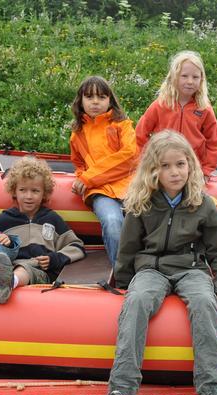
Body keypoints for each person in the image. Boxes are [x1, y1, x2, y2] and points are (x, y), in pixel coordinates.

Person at [106, 130, 217, 395]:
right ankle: (120, 392)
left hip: (191, 269)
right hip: (151, 269)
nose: (175, 172)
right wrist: (124, 283)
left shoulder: (202, 203)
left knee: (204, 303)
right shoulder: (142, 203)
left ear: (190, 165)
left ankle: (212, 392)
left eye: (180, 164)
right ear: (153, 170)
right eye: (165, 166)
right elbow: (127, 247)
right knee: (137, 302)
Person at [0, 156, 86, 303]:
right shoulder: (4, 220)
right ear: (14, 191)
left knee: (24, 269)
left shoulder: (52, 219)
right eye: (23, 190)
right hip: (7, 267)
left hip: (39, 272)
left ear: (44, 193)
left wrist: (54, 259)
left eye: (35, 191)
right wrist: (0, 242)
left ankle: (8, 283)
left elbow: (76, 246)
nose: (29, 196)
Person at [69, 75, 137, 265]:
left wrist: (87, 178)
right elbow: (79, 164)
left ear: (110, 100)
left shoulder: (123, 126)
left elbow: (130, 156)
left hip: (130, 188)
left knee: (145, 223)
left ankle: (150, 270)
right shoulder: (77, 134)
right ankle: (122, 273)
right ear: (81, 100)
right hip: (100, 192)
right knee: (112, 221)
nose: (95, 102)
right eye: (89, 97)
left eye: (101, 97)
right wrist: (80, 178)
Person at [135, 50, 217, 179]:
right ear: (174, 77)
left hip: (193, 170)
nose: (190, 81)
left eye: (195, 77)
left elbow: (214, 143)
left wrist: (206, 170)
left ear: (201, 80)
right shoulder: (160, 105)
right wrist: (146, 163)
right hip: (163, 167)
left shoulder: (204, 108)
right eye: (184, 76)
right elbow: (140, 135)